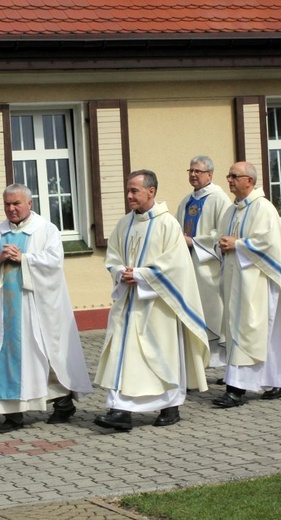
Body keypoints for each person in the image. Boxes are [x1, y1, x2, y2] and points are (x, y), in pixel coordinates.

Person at [94, 170, 210, 431]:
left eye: (134, 191)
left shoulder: (167, 224)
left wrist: (142, 275)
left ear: (151, 191)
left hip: (158, 305)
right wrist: (119, 272)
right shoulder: (125, 223)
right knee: (125, 355)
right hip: (129, 302)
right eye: (128, 190)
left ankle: (169, 406)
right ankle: (121, 410)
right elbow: (112, 256)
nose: (129, 196)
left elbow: (176, 265)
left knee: (160, 357)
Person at [0, 184, 93, 433]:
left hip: (36, 306)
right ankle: (12, 414)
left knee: (43, 353)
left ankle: (62, 402)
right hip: (6, 309)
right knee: (7, 355)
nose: (11, 209)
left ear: (30, 204)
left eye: (16, 203)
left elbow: (54, 262)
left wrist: (25, 259)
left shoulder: (45, 229)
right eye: (7, 204)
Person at [212, 162, 281, 408]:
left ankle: (236, 389)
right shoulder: (231, 210)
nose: (229, 179)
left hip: (260, 284)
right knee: (262, 335)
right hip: (237, 283)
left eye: (234, 176)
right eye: (228, 175)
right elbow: (223, 239)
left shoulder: (264, 208)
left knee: (251, 333)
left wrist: (238, 245)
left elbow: (270, 244)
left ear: (249, 181)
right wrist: (221, 245)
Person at [176, 156, 231, 372]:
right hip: (189, 267)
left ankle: (222, 362)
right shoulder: (186, 201)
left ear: (210, 174)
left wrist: (194, 241)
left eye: (197, 171)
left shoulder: (219, 199)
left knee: (214, 314)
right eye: (190, 170)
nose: (193, 175)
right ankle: (198, 362)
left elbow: (223, 232)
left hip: (209, 269)